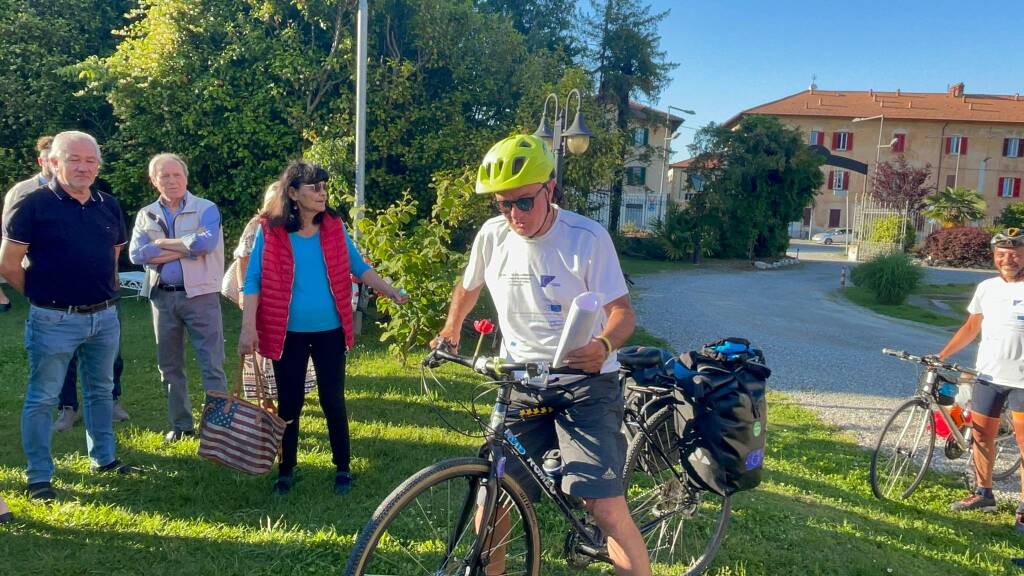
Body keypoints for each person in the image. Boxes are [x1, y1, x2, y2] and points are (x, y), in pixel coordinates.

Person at [431, 134, 652, 576]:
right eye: (503, 204)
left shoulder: (586, 238)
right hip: (522, 387)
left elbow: (622, 313)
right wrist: (451, 328)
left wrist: (603, 346)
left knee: (605, 508)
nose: (514, 215)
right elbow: (468, 286)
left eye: (525, 203)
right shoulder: (492, 237)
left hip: (586, 387)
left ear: (550, 188)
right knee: (490, 501)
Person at [237, 160, 407, 496]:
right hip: (288, 332)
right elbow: (253, 278)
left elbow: (359, 265)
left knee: (333, 400)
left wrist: (390, 290)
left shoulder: (333, 226)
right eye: (314, 187)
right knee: (289, 403)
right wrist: (247, 328)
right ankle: (286, 469)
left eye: (324, 186)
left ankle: (343, 468)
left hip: (329, 330)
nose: (322, 193)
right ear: (293, 193)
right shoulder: (269, 230)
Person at [0, 131, 141, 502]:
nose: (83, 167)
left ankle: (105, 458)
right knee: (43, 397)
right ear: (54, 162)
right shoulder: (32, 206)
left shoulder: (108, 205)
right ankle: (39, 477)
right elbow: (8, 263)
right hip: (53, 320)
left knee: (101, 391)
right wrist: (38, 293)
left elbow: (113, 255)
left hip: (105, 316)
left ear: (98, 165)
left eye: (90, 160)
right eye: (74, 159)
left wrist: (105, 290)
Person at [129, 153, 227, 443]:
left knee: (212, 363)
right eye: (164, 176)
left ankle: (217, 429)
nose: (171, 181)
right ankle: (181, 425)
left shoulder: (206, 208)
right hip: (162, 298)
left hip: (201, 296)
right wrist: (186, 247)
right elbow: (136, 254)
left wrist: (158, 244)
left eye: (177, 175)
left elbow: (206, 243)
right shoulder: (146, 214)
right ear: (153, 180)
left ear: (186, 177)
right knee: (169, 366)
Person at [940, 227, 1024, 529]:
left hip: (1023, 381)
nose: (1007, 259)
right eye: (1001, 254)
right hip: (988, 375)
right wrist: (943, 355)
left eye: (1014, 253)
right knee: (980, 436)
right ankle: (983, 493)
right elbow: (971, 327)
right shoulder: (987, 288)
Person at [0, 136, 55, 312]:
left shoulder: (77, 189)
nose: (53, 165)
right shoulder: (22, 191)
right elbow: (8, 230)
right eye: (48, 160)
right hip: (33, 259)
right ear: (41, 161)